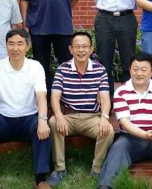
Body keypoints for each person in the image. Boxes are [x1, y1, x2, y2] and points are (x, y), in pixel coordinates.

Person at [0, 29, 52, 189]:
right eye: (11, 44)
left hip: (29, 119)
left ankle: (41, 179)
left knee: (43, 128)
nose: (15, 48)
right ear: (6, 46)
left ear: (27, 46)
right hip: (3, 119)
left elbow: (41, 96)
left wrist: (42, 120)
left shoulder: (35, 67)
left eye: (20, 44)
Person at [97, 53, 152, 189]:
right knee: (118, 146)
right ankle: (106, 185)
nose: (139, 73)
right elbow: (125, 123)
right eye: (135, 69)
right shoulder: (121, 92)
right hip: (132, 140)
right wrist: (146, 135)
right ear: (130, 70)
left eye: (144, 70)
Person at [47, 31, 114, 187]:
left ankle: (96, 170)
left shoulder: (100, 70)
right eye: (77, 47)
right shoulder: (62, 69)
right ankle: (59, 169)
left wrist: (104, 117)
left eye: (85, 46)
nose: (81, 50)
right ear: (71, 49)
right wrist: (59, 116)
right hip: (68, 118)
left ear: (91, 49)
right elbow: (54, 97)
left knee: (109, 130)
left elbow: (105, 98)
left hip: (92, 117)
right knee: (53, 122)